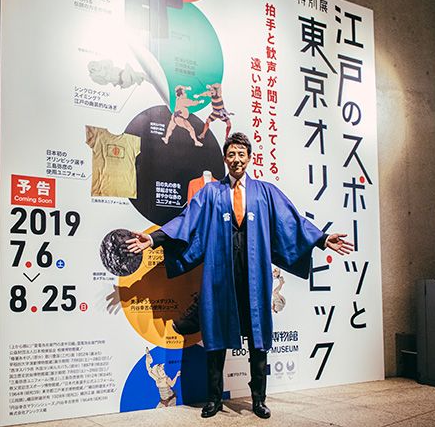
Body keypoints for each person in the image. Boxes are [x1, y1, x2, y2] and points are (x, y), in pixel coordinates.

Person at [126, 132, 352, 419]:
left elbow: (291, 220)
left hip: (254, 275)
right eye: (231, 154)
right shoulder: (211, 192)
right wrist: (154, 239)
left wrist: (322, 239)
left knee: (258, 337)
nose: (236, 159)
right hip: (219, 275)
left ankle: (258, 399)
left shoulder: (265, 192)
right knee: (215, 335)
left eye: (241, 154)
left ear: (249, 158)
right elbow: (186, 221)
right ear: (225, 158)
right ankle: (213, 399)